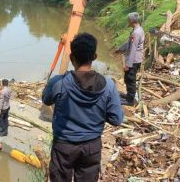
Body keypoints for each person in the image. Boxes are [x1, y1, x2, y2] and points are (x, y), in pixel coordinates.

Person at [42, 33, 123, 182]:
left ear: (72, 57)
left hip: (63, 147)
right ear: (95, 56)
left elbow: (46, 100)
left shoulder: (59, 82)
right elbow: (116, 119)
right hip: (91, 147)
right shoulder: (109, 85)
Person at [116, 12, 145, 106]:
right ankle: (129, 96)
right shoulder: (138, 30)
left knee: (130, 79)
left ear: (132, 21)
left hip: (133, 60)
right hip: (135, 59)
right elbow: (129, 43)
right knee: (128, 79)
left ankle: (130, 101)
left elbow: (133, 49)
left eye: (128, 20)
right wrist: (120, 49)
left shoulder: (136, 33)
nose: (127, 21)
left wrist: (128, 65)